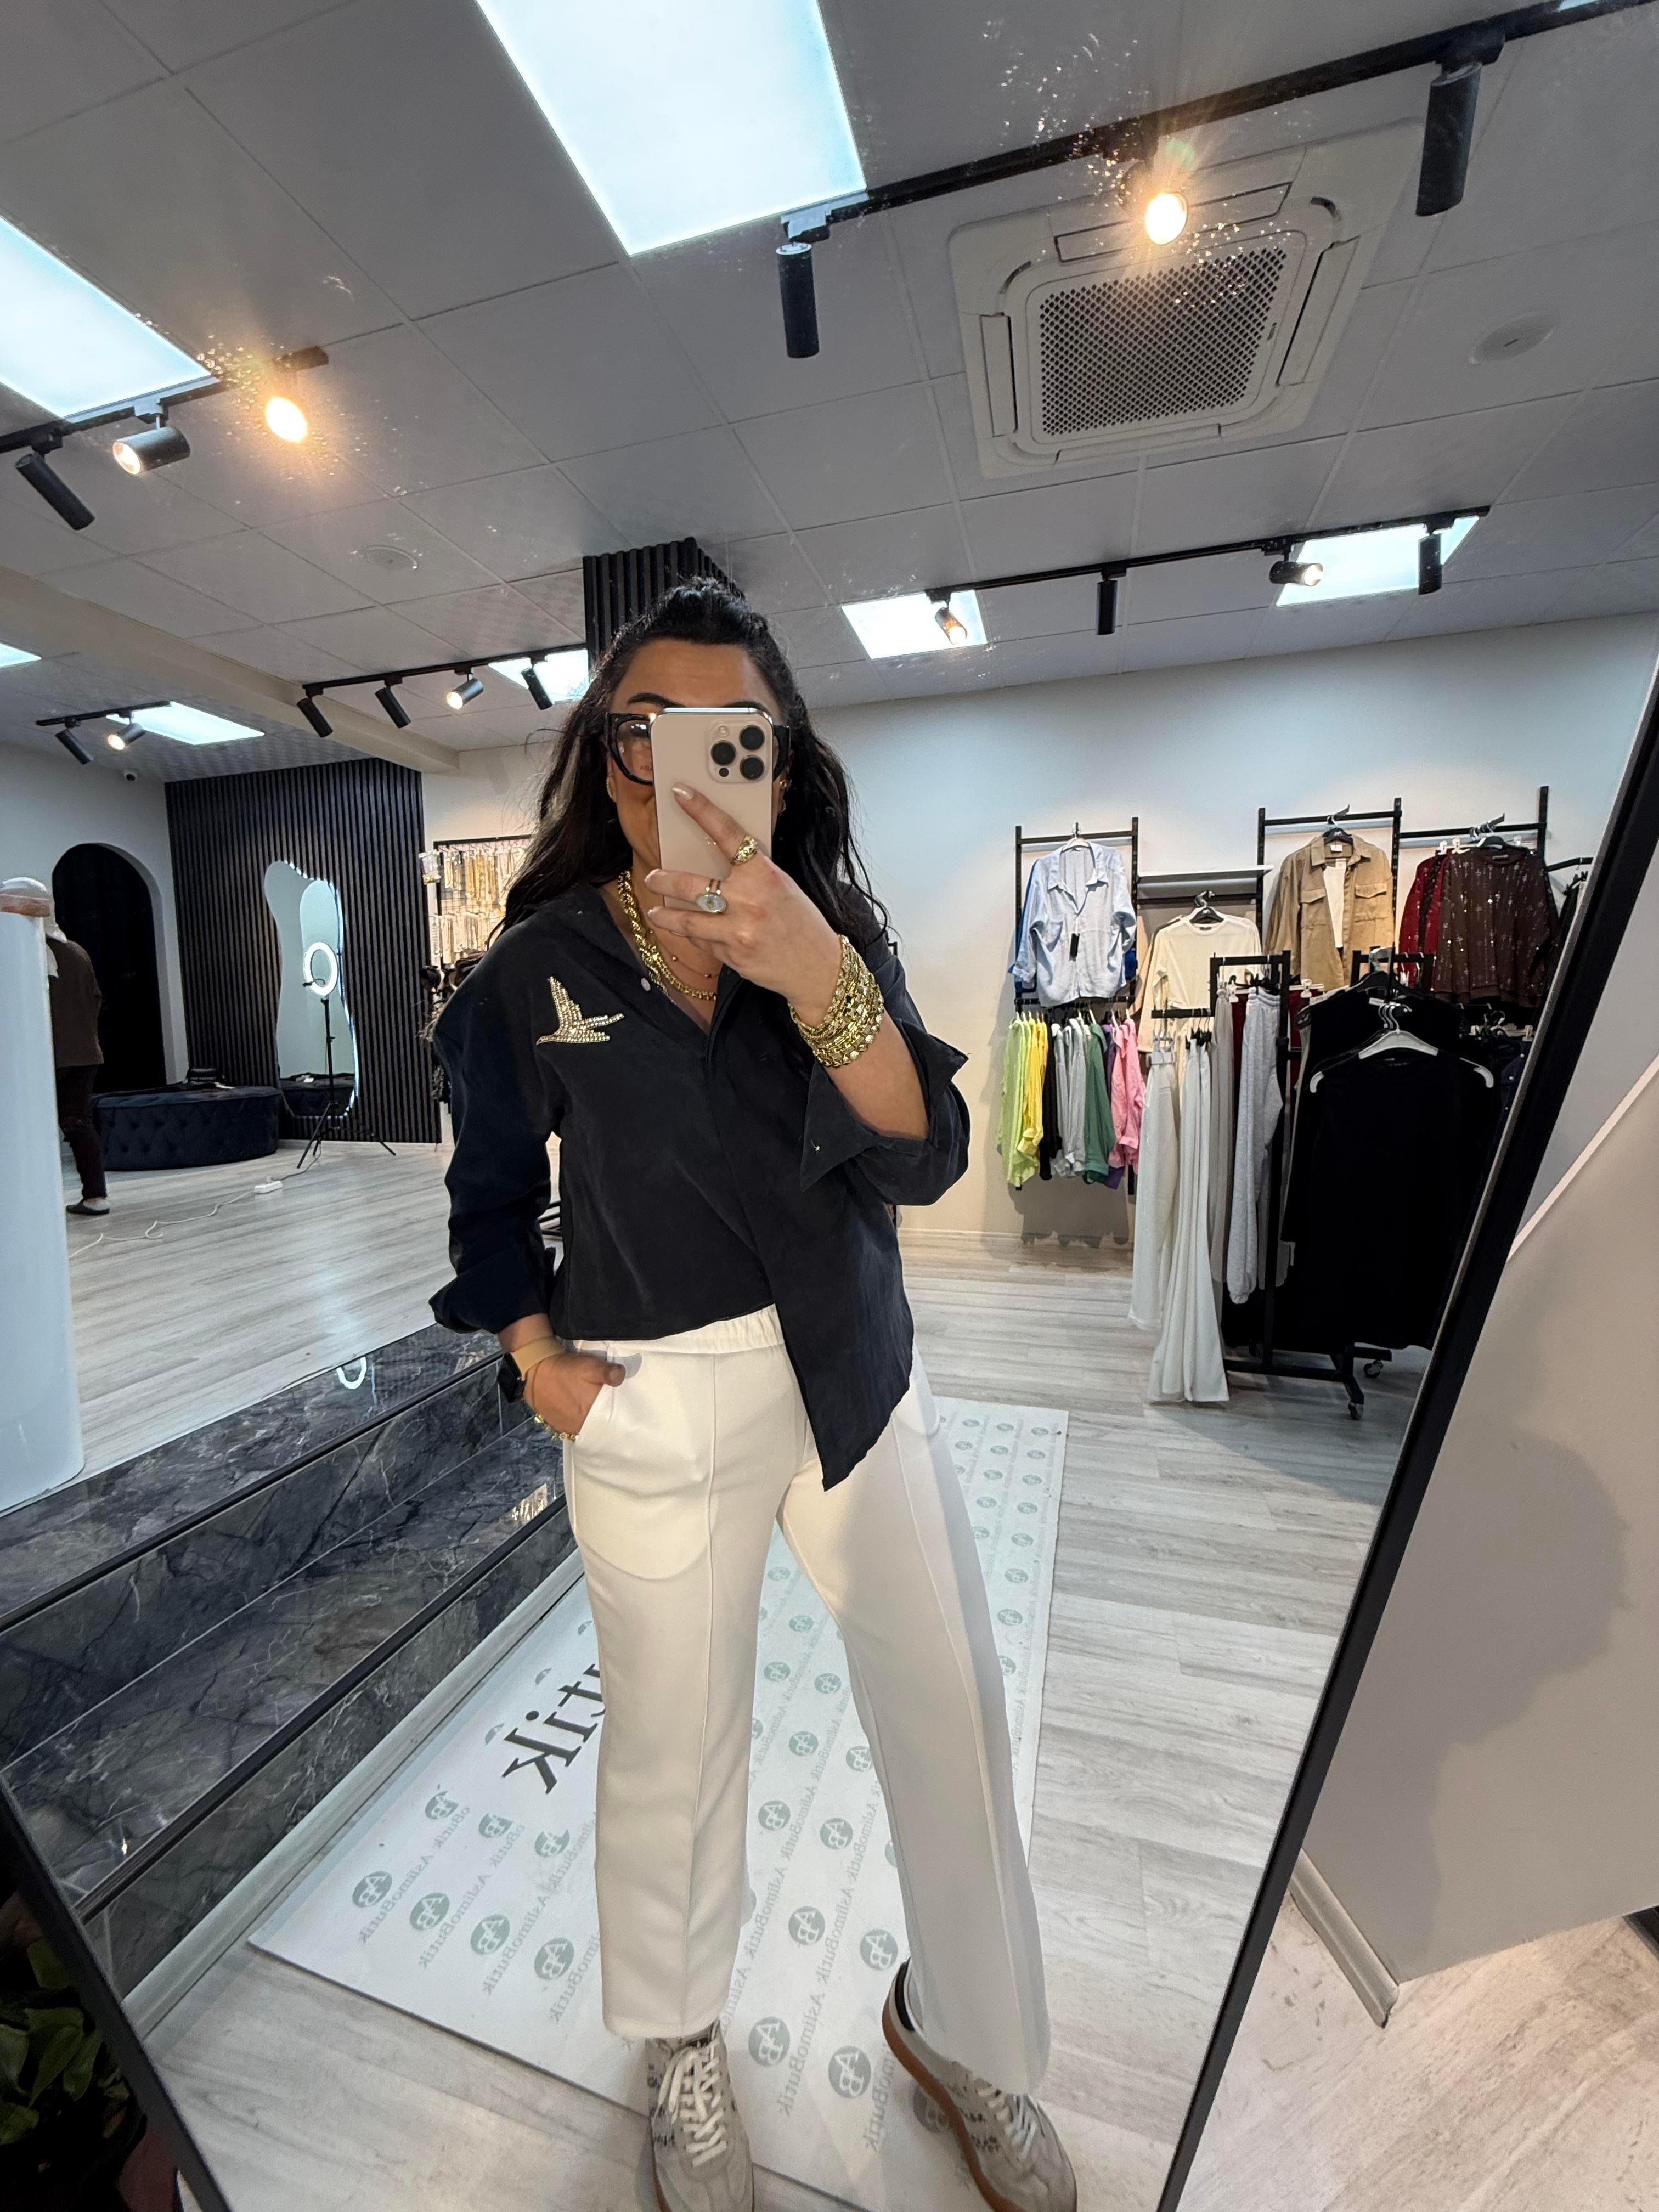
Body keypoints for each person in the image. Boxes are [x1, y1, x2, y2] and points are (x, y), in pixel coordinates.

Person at [431, 583, 1074, 2212]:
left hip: (852, 1363)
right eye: (641, 728)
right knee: (672, 1745)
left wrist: (815, 975)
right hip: (651, 1393)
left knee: (951, 1706)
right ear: (608, 756)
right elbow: (488, 1197)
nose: (682, 765)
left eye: (732, 733)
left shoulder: (829, 929)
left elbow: (923, 1156)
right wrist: (537, 1360)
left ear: (778, 759)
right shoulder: (537, 970)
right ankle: (679, 2038)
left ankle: (969, 2034)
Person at [7, 880, 109, 1217]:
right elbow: (95, 999)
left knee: (30, 1127)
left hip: (42, 1056)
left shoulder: (24, 952)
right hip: (83, 1053)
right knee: (78, 1123)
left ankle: (33, 1201)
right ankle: (96, 1196)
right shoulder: (76, 951)